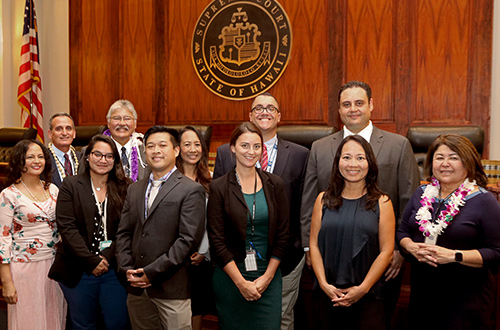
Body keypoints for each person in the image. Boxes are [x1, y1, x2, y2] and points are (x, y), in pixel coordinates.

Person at [300, 81, 420, 326]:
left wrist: (399, 250)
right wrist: (307, 249)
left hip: (381, 261)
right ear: (339, 110)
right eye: (346, 104)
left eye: (359, 103)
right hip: (330, 258)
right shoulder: (320, 148)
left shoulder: (399, 146)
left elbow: (410, 202)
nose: (352, 109)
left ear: (371, 105)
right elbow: (309, 200)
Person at [214, 93, 309, 329]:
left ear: (279, 115)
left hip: (280, 259)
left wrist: (299, 248)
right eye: (258, 108)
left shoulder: (300, 155)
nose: (251, 151)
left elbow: (304, 206)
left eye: (270, 108)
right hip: (232, 264)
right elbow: (217, 226)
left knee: (281, 320)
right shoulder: (223, 157)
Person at [396, 134, 500, 329]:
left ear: (468, 162)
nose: (445, 163)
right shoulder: (421, 194)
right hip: (423, 296)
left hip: (465, 302)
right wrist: (411, 247)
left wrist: (454, 256)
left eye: (453, 157)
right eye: (439, 157)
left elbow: (496, 252)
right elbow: (402, 232)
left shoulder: (485, 201)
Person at [116, 125, 206, 330]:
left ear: (176, 151)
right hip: (136, 287)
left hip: (171, 288)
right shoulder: (134, 189)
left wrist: (151, 273)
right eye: (150, 146)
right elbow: (123, 233)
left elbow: (187, 240)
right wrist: (127, 269)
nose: (156, 150)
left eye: (162, 145)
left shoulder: (191, 190)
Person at [208, 122, 289, 330]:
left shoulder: (276, 184)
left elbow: (283, 234)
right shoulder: (218, 187)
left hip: (268, 277)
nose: (250, 152)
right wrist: (241, 283)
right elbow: (217, 241)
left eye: (256, 146)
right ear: (232, 148)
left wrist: (268, 277)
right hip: (230, 277)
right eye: (244, 145)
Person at [309, 135, 395, 330]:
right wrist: (323, 284)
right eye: (346, 157)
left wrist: (362, 289)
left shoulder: (382, 202)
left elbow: (386, 251)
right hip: (328, 294)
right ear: (338, 162)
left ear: (370, 163)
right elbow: (313, 244)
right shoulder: (322, 200)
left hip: (368, 296)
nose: (353, 164)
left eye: (360, 158)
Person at [48, 134, 131, 329]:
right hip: (78, 268)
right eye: (98, 154)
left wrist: (106, 257)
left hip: (113, 269)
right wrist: (91, 260)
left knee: (117, 323)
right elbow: (67, 228)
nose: (103, 160)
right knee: (83, 324)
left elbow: (127, 228)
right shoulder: (70, 185)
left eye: (109, 156)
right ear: (87, 156)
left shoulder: (125, 187)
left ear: (115, 160)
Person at [0, 140, 66, 329]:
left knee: (54, 319)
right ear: (20, 162)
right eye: (30, 157)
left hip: (55, 267)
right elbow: (2, 238)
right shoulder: (8, 195)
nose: (37, 161)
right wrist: (6, 281)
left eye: (40, 156)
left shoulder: (52, 189)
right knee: (30, 321)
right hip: (24, 268)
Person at [176, 126, 214, 330]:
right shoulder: (168, 178)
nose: (192, 149)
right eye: (187, 144)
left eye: (197, 144)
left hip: (200, 258)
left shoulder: (210, 179)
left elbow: (212, 220)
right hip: (173, 258)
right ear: (178, 149)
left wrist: (203, 250)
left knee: (197, 307)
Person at [104, 99, 148, 182]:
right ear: (108, 123)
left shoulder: (146, 151)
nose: (122, 123)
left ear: (135, 124)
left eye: (127, 118)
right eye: (116, 118)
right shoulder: (95, 151)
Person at [47, 112, 80, 187]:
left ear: (74, 133)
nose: (64, 133)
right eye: (59, 129)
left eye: (68, 128)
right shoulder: (42, 159)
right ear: (50, 134)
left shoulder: (82, 158)